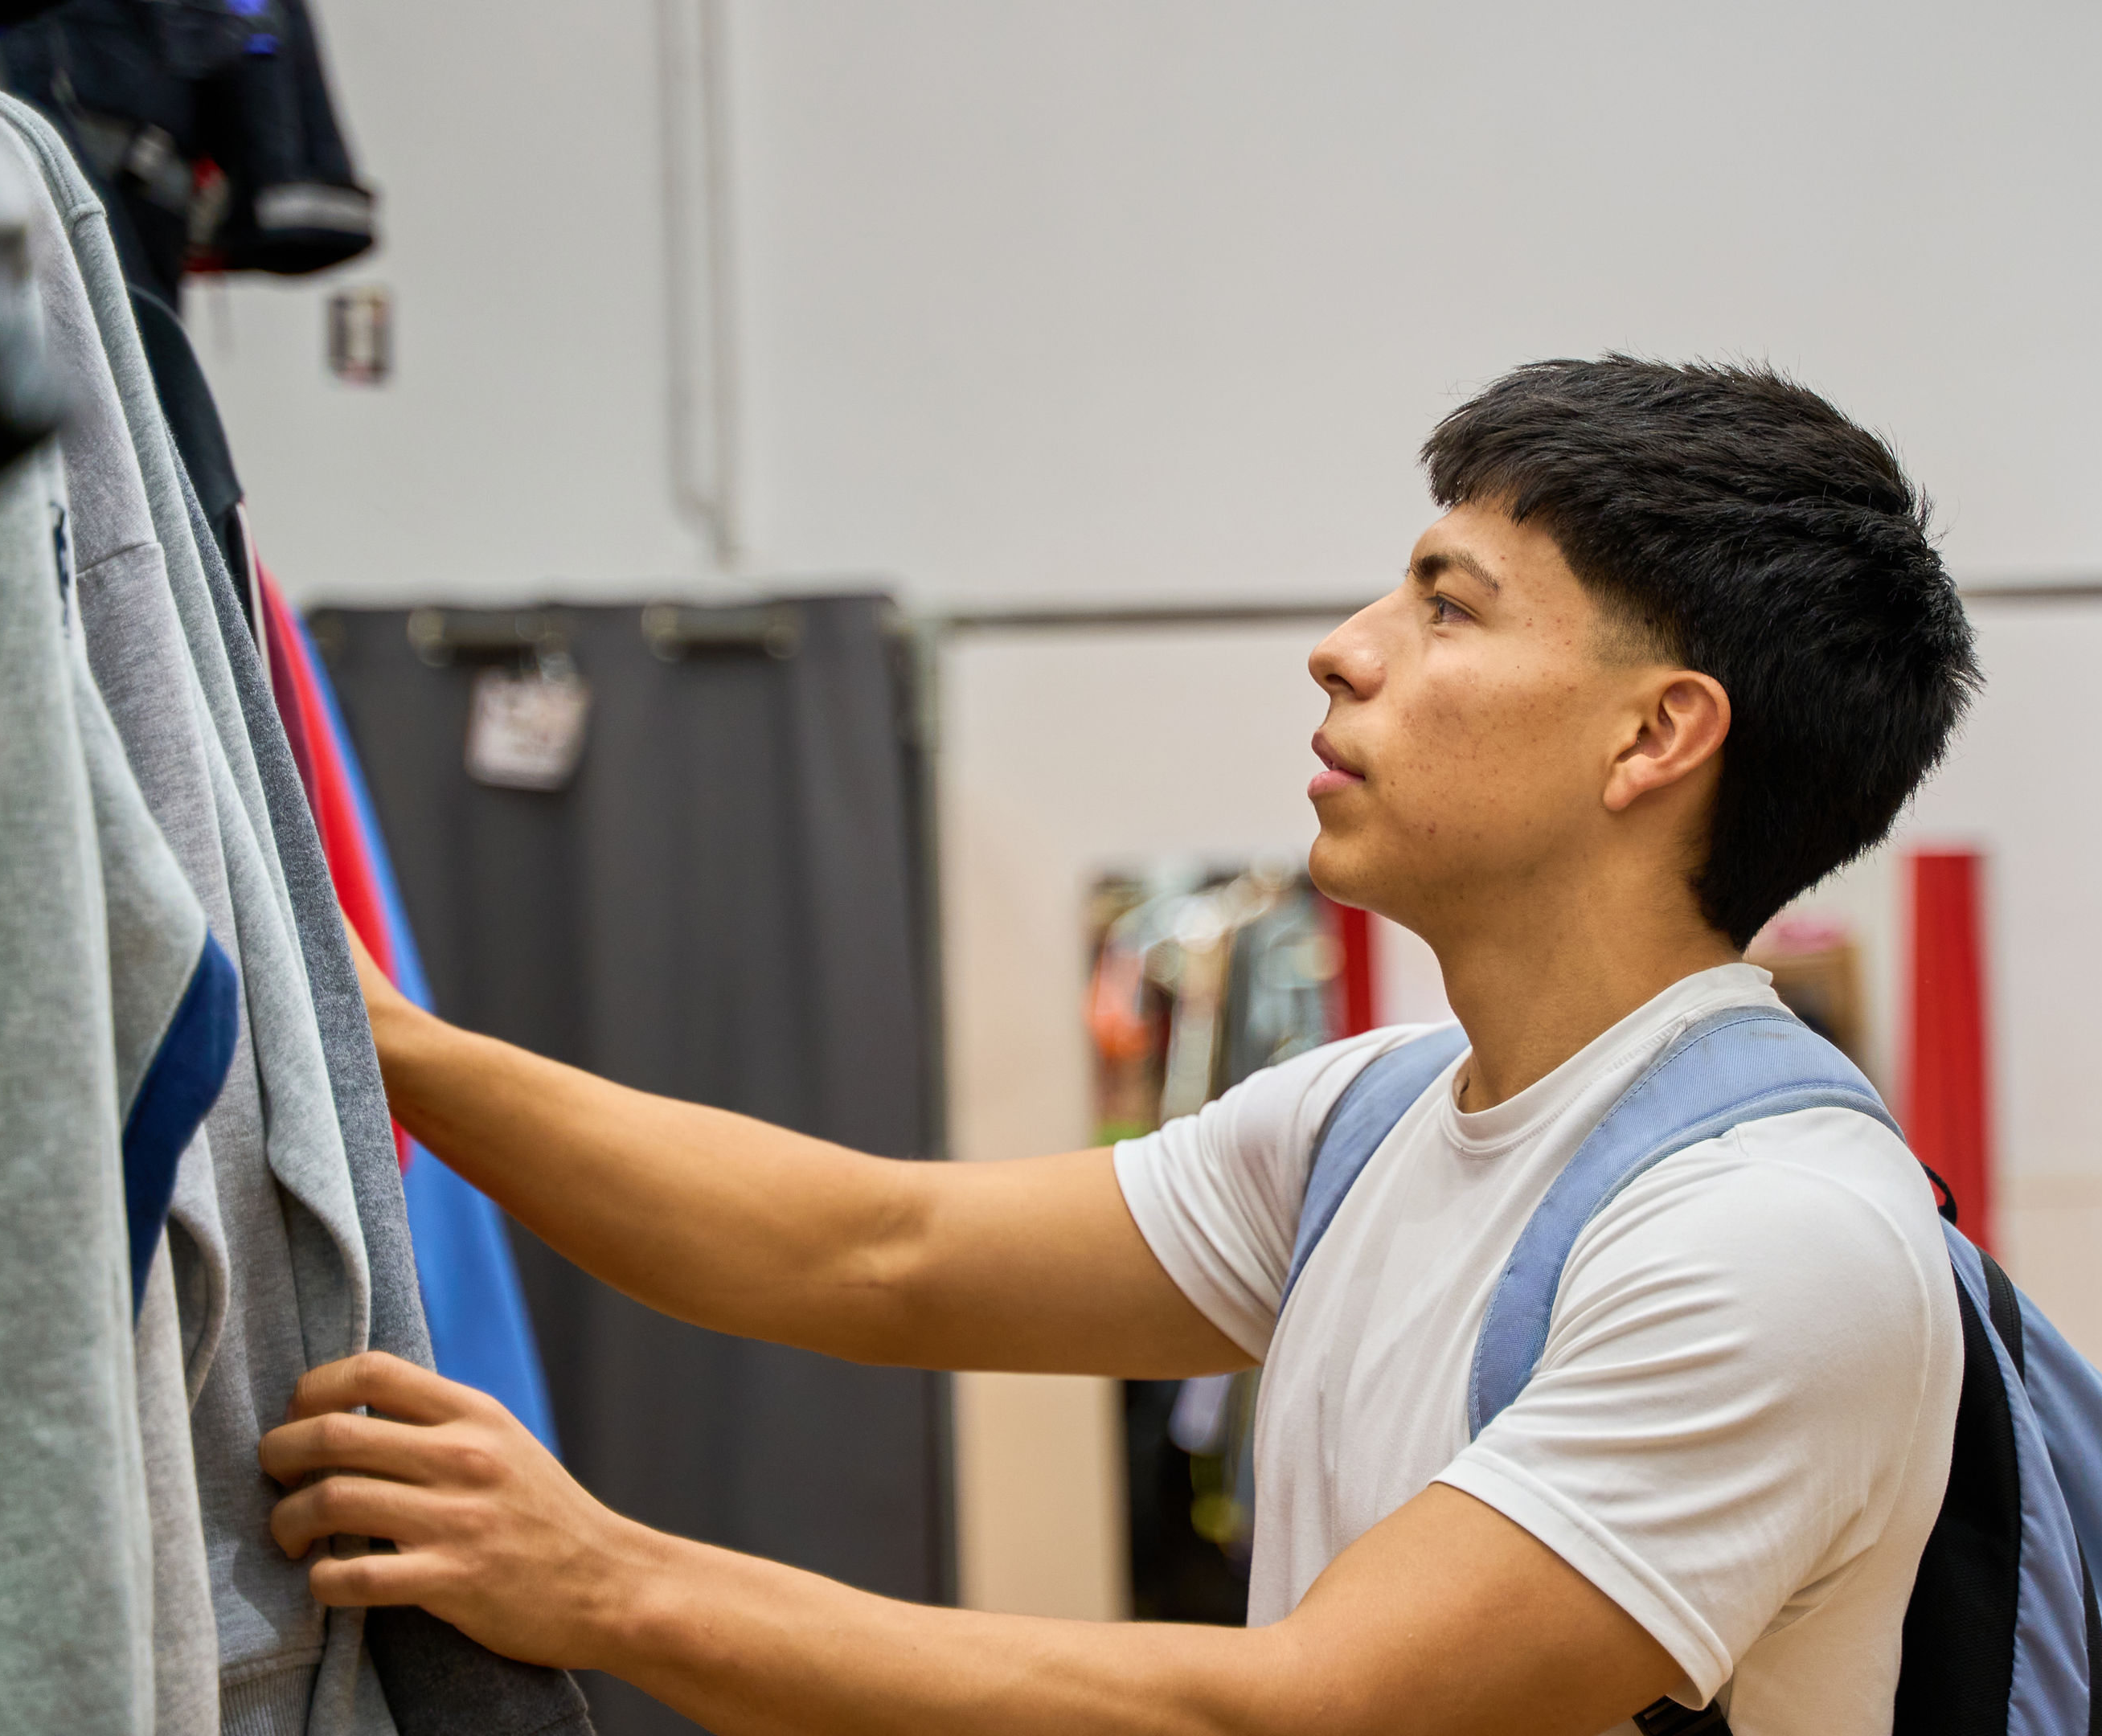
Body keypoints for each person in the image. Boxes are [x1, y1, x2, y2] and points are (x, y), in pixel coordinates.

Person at [262, 355, 1983, 1736]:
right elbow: (877, 1254)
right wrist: (385, 1043)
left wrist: (609, 1585)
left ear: (1655, 736)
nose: (1346, 649)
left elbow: (1309, 1714)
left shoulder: (1773, 1243)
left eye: (1449, 606)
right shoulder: (1364, 1121)